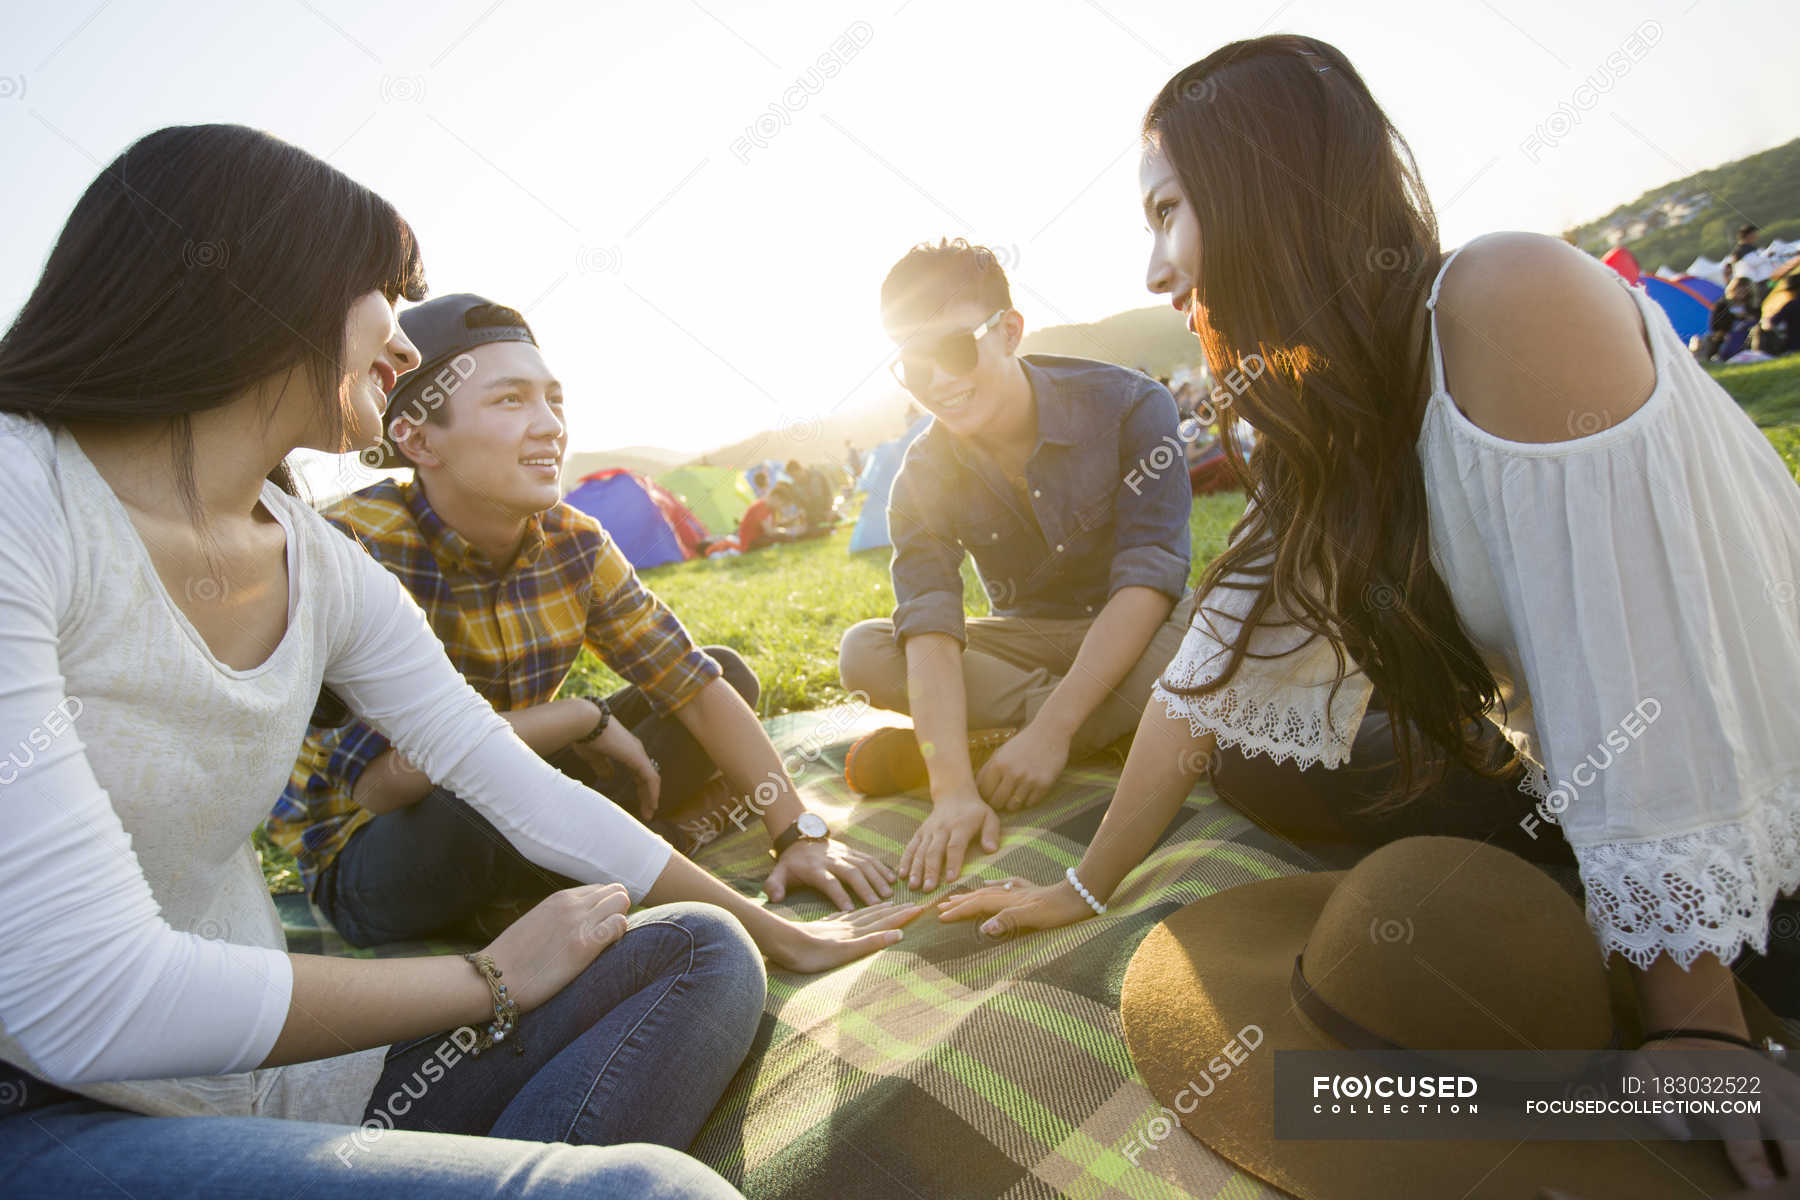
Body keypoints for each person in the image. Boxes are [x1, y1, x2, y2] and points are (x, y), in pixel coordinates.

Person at [934, 38, 1800, 1189]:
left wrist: (1698, 1023)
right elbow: (1208, 666)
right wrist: (1081, 888)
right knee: (1270, 767)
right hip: (1583, 786)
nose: (1154, 270)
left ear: (1261, 183)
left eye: (1168, 211)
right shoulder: (1337, 407)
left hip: (1747, 779)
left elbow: (1649, 667)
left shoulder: (1505, 295)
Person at [0, 125, 916, 1200]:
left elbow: (508, 777)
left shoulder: (315, 563)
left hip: (263, 1080)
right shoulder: (27, 498)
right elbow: (81, 1000)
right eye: (382, 293)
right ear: (261, 287)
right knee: (651, 1194)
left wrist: (782, 928)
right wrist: (487, 980)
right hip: (57, 1108)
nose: (400, 342)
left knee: (706, 950)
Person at [266, 294, 899, 951]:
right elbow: (385, 783)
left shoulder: (574, 541)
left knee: (726, 676)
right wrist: (580, 719)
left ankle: (580, 872)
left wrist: (797, 832)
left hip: (523, 778)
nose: (549, 426)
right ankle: (619, 862)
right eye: (510, 401)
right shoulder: (354, 547)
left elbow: (693, 684)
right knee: (481, 807)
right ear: (420, 438)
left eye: (553, 400)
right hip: (382, 848)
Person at [837, 238, 1195, 893]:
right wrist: (950, 795)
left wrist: (1052, 734)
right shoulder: (920, 472)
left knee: (1218, 632)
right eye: (914, 364)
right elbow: (933, 627)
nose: (938, 380)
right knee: (864, 651)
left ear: (1008, 332)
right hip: (1027, 639)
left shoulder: (1133, 405)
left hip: (1142, 629)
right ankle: (1122, 731)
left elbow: (1149, 581)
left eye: (953, 349)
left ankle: (1005, 739)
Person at [1701, 276, 1762, 362]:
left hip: (1749, 333)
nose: (1742, 292)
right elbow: (1714, 325)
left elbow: (1759, 319)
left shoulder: (1753, 305)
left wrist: (1748, 318)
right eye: (1739, 289)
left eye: (1745, 289)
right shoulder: (1722, 304)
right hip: (1726, 334)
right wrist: (1735, 317)